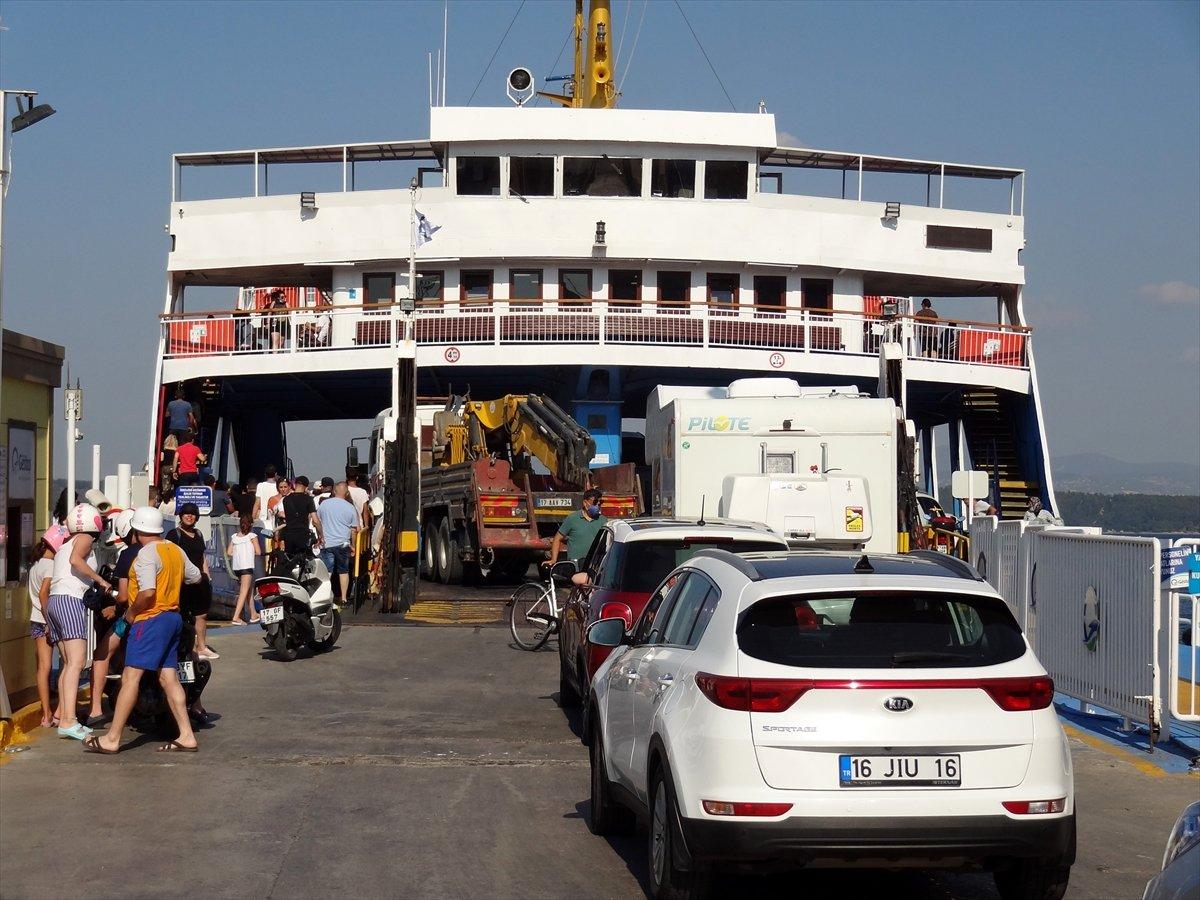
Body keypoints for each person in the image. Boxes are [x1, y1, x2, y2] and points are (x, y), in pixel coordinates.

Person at [84, 506, 202, 755]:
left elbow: (147, 593)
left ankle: (112, 738)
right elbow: (195, 577)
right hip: (173, 618)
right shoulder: (174, 550)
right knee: (168, 678)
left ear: (136, 530)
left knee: (130, 678)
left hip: (150, 620)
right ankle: (186, 734)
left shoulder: (146, 555)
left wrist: (130, 614)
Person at [47, 503, 115, 741]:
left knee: (68, 664)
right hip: (71, 599)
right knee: (76, 663)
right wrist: (101, 581)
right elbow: (77, 561)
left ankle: (65, 717)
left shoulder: (64, 544)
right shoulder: (84, 538)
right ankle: (69, 720)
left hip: (55, 601)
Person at [87, 509, 137, 725]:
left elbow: (124, 597)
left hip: (131, 617)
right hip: (166, 616)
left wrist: (114, 610)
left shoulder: (128, 554)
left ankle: (96, 710)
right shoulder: (167, 548)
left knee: (101, 655)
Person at [28, 526, 68, 727]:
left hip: (35, 619)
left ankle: (46, 714)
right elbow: (44, 593)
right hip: (47, 620)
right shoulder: (50, 566)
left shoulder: (35, 565)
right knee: (66, 663)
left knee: (42, 668)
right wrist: (50, 621)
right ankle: (61, 710)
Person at [166, 503, 217, 660]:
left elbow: (201, 557)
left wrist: (207, 576)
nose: (189, 516)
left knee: (201, 614)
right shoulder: (174, 535)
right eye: (186, 513)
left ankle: (201, 647)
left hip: (199, 581)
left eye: (193, 514)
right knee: (181, 615)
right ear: (180, 516)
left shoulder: (199, 534)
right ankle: (185, 648)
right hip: (182, 583)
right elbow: (168, 558)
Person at [317, 482, 360, 602]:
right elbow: (354, 530)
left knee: (327, 572)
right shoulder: (350, 507)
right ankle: (344, 598)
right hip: (343, 544)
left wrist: (320, 536)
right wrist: (353, 545)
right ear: (346, 493)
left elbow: (317, 521)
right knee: (343, 571)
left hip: (327, 543)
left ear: (334, 491)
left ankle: (324, 598)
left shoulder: (324, 504)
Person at [547, 488, 607, 569]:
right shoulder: (572, 519)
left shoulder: (603, 520)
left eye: (600, 503)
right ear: (585, 503)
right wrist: (553, 559)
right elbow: (557, 538)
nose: (597, 506)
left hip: (594, 565)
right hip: (575, 565)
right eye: (595, 502)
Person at [228, 515, 262, 625]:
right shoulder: (252, 536)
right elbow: (258, 552)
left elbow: (229, 552)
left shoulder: (235, 537)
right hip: (247, 567)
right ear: (251, 524)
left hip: (237, 567)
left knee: (249, 591)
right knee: (243, 592)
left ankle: (253, 614)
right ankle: (236, 617)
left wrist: (238, 554)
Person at [278, 475, 322, 555]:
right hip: (302, 535)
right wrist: (321, 535)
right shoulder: (308, 499)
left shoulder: (286, 500)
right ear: (306, 487)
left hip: (289, 536)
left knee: (290, 561)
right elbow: (315, 520)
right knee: (304, 560)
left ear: (295, 485)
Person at [252, 464, 280, 552]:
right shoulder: (278, 486)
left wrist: (252, 517)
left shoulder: (260, 485)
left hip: (262, 519)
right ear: (275, 474)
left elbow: (257, 503)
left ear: (265, 474)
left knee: (263, 545)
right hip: (275, 519)